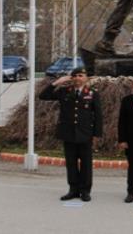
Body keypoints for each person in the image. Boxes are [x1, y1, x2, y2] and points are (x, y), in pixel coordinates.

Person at [39, 67, 103, 202]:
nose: (78, 78)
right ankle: (73, 190)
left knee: (86, 164)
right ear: (71, 78)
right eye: (75, 76)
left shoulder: (92, 93)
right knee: (71, 164)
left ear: (86, 78)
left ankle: (85, 191)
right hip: (68, 134)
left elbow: (98, 115)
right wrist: (57, 82)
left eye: (81, 75)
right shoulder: (64, 91)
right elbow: (43, 96)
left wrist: (96, 134)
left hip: (85, 134)